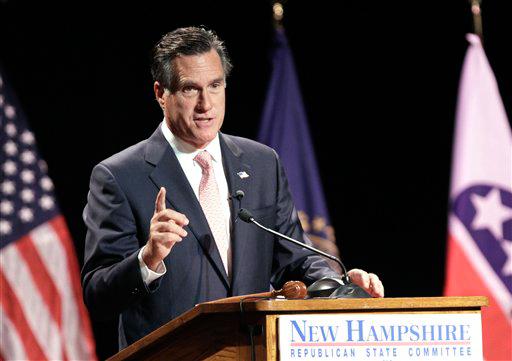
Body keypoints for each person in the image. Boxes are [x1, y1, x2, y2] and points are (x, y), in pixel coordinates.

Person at [81, 26, 384, 350]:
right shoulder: (120, 176)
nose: (205, 104)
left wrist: (339, 286)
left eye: (215, 86)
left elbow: (295, 258)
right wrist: (148, 258)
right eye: (189, 89)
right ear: (160, 93)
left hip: (252, 351)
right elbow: (98, 295)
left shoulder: (262, 163)